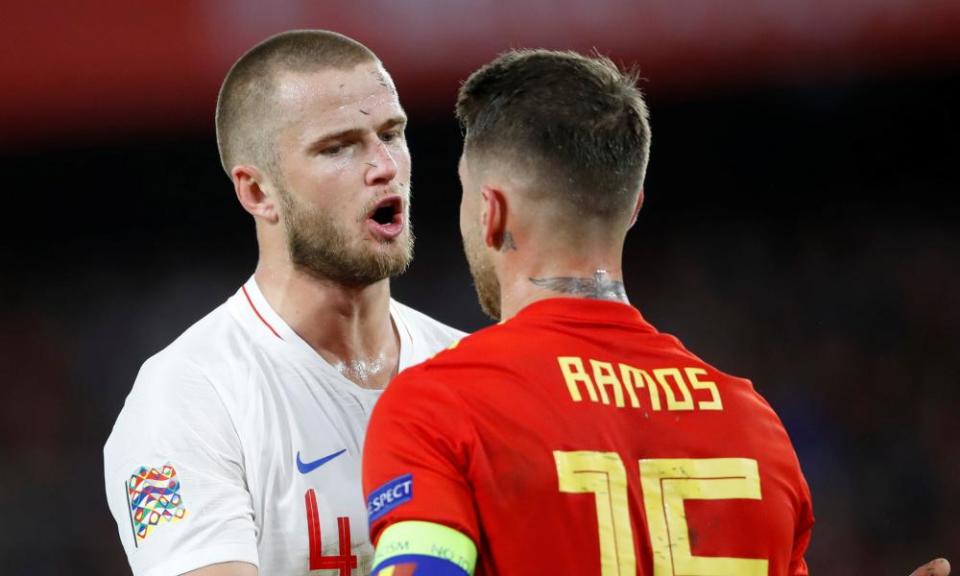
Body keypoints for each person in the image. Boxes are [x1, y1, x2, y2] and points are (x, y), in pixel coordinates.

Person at [103, 30, 463, 576]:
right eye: (337, 147)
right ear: (257, 192)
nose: (384, 166)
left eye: (391, 133)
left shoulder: (467, 369)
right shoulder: (189, 396)